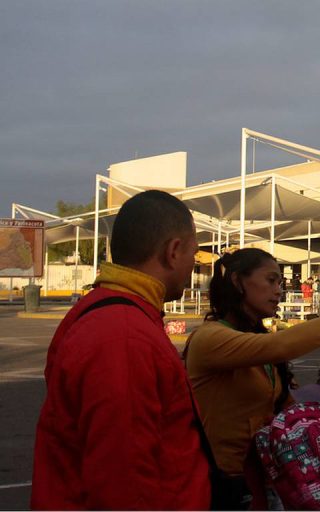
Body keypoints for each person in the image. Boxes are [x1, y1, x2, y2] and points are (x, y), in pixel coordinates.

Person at [183, 248, 320, 508]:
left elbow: (287, 414)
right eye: (271, 280)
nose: (279, 291)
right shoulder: (210, 339)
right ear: (237, 281)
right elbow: (280, 345)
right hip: (221, 485)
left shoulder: (258, 341)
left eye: (280, 282)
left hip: (265, 480)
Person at [31, 190, 211, 510]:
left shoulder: (108, 311)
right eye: (193, 254)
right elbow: (123, 482)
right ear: (173, 251)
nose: (193, 265)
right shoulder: (124, 336)